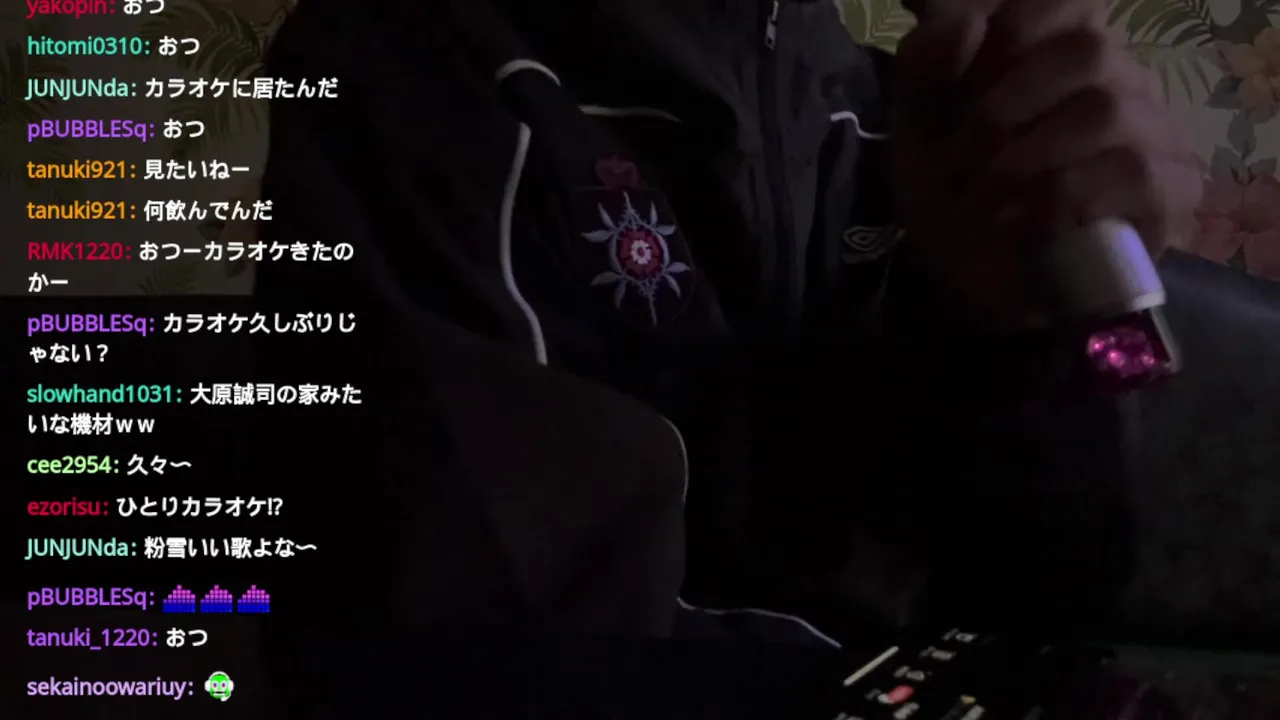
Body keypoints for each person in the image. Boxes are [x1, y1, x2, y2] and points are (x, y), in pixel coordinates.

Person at [254, 0, 1201, 660]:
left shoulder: (899, 112)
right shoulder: (404, 68)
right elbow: (501, 647)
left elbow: (1055, 592)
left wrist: (1010, 338)